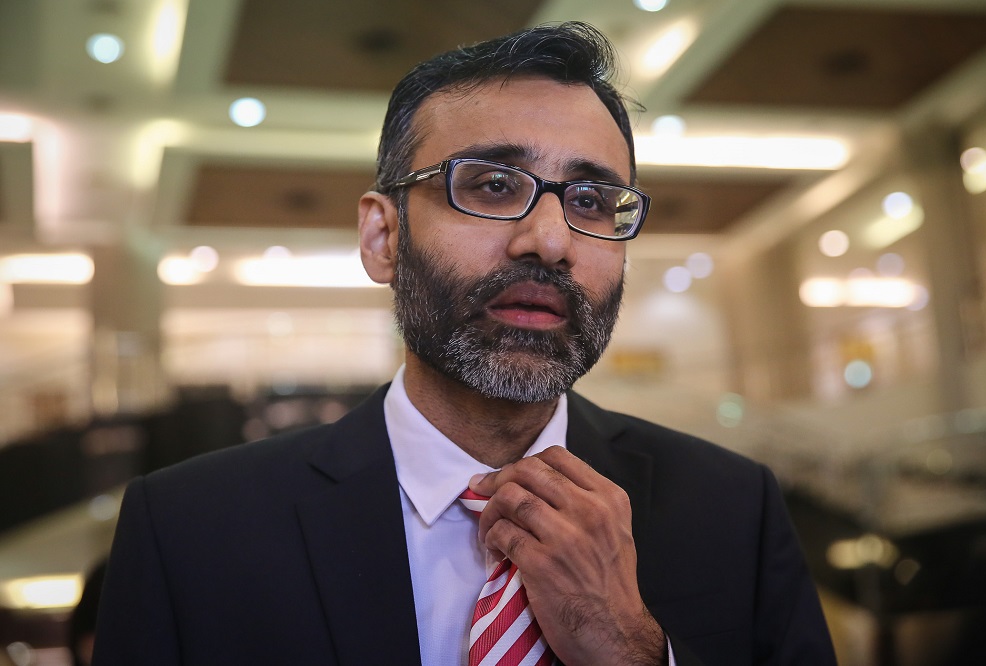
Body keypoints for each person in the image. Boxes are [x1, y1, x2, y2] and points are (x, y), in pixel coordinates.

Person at [93, 22, 836, 666]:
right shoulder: (193, 530)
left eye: (590, 201)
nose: (548, 241)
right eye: (488, 185)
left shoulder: (734, 510)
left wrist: (628, 648)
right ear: (383, 237)